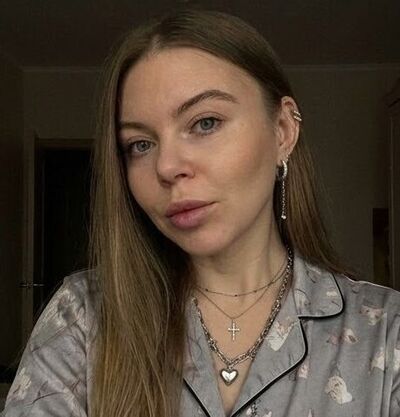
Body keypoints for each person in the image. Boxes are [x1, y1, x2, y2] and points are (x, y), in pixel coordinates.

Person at [1, 8, 399, 417]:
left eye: (205, 123)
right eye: (140, 144)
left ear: (283, 130)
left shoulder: (387, 331)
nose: (167, 166)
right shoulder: (83, 316)